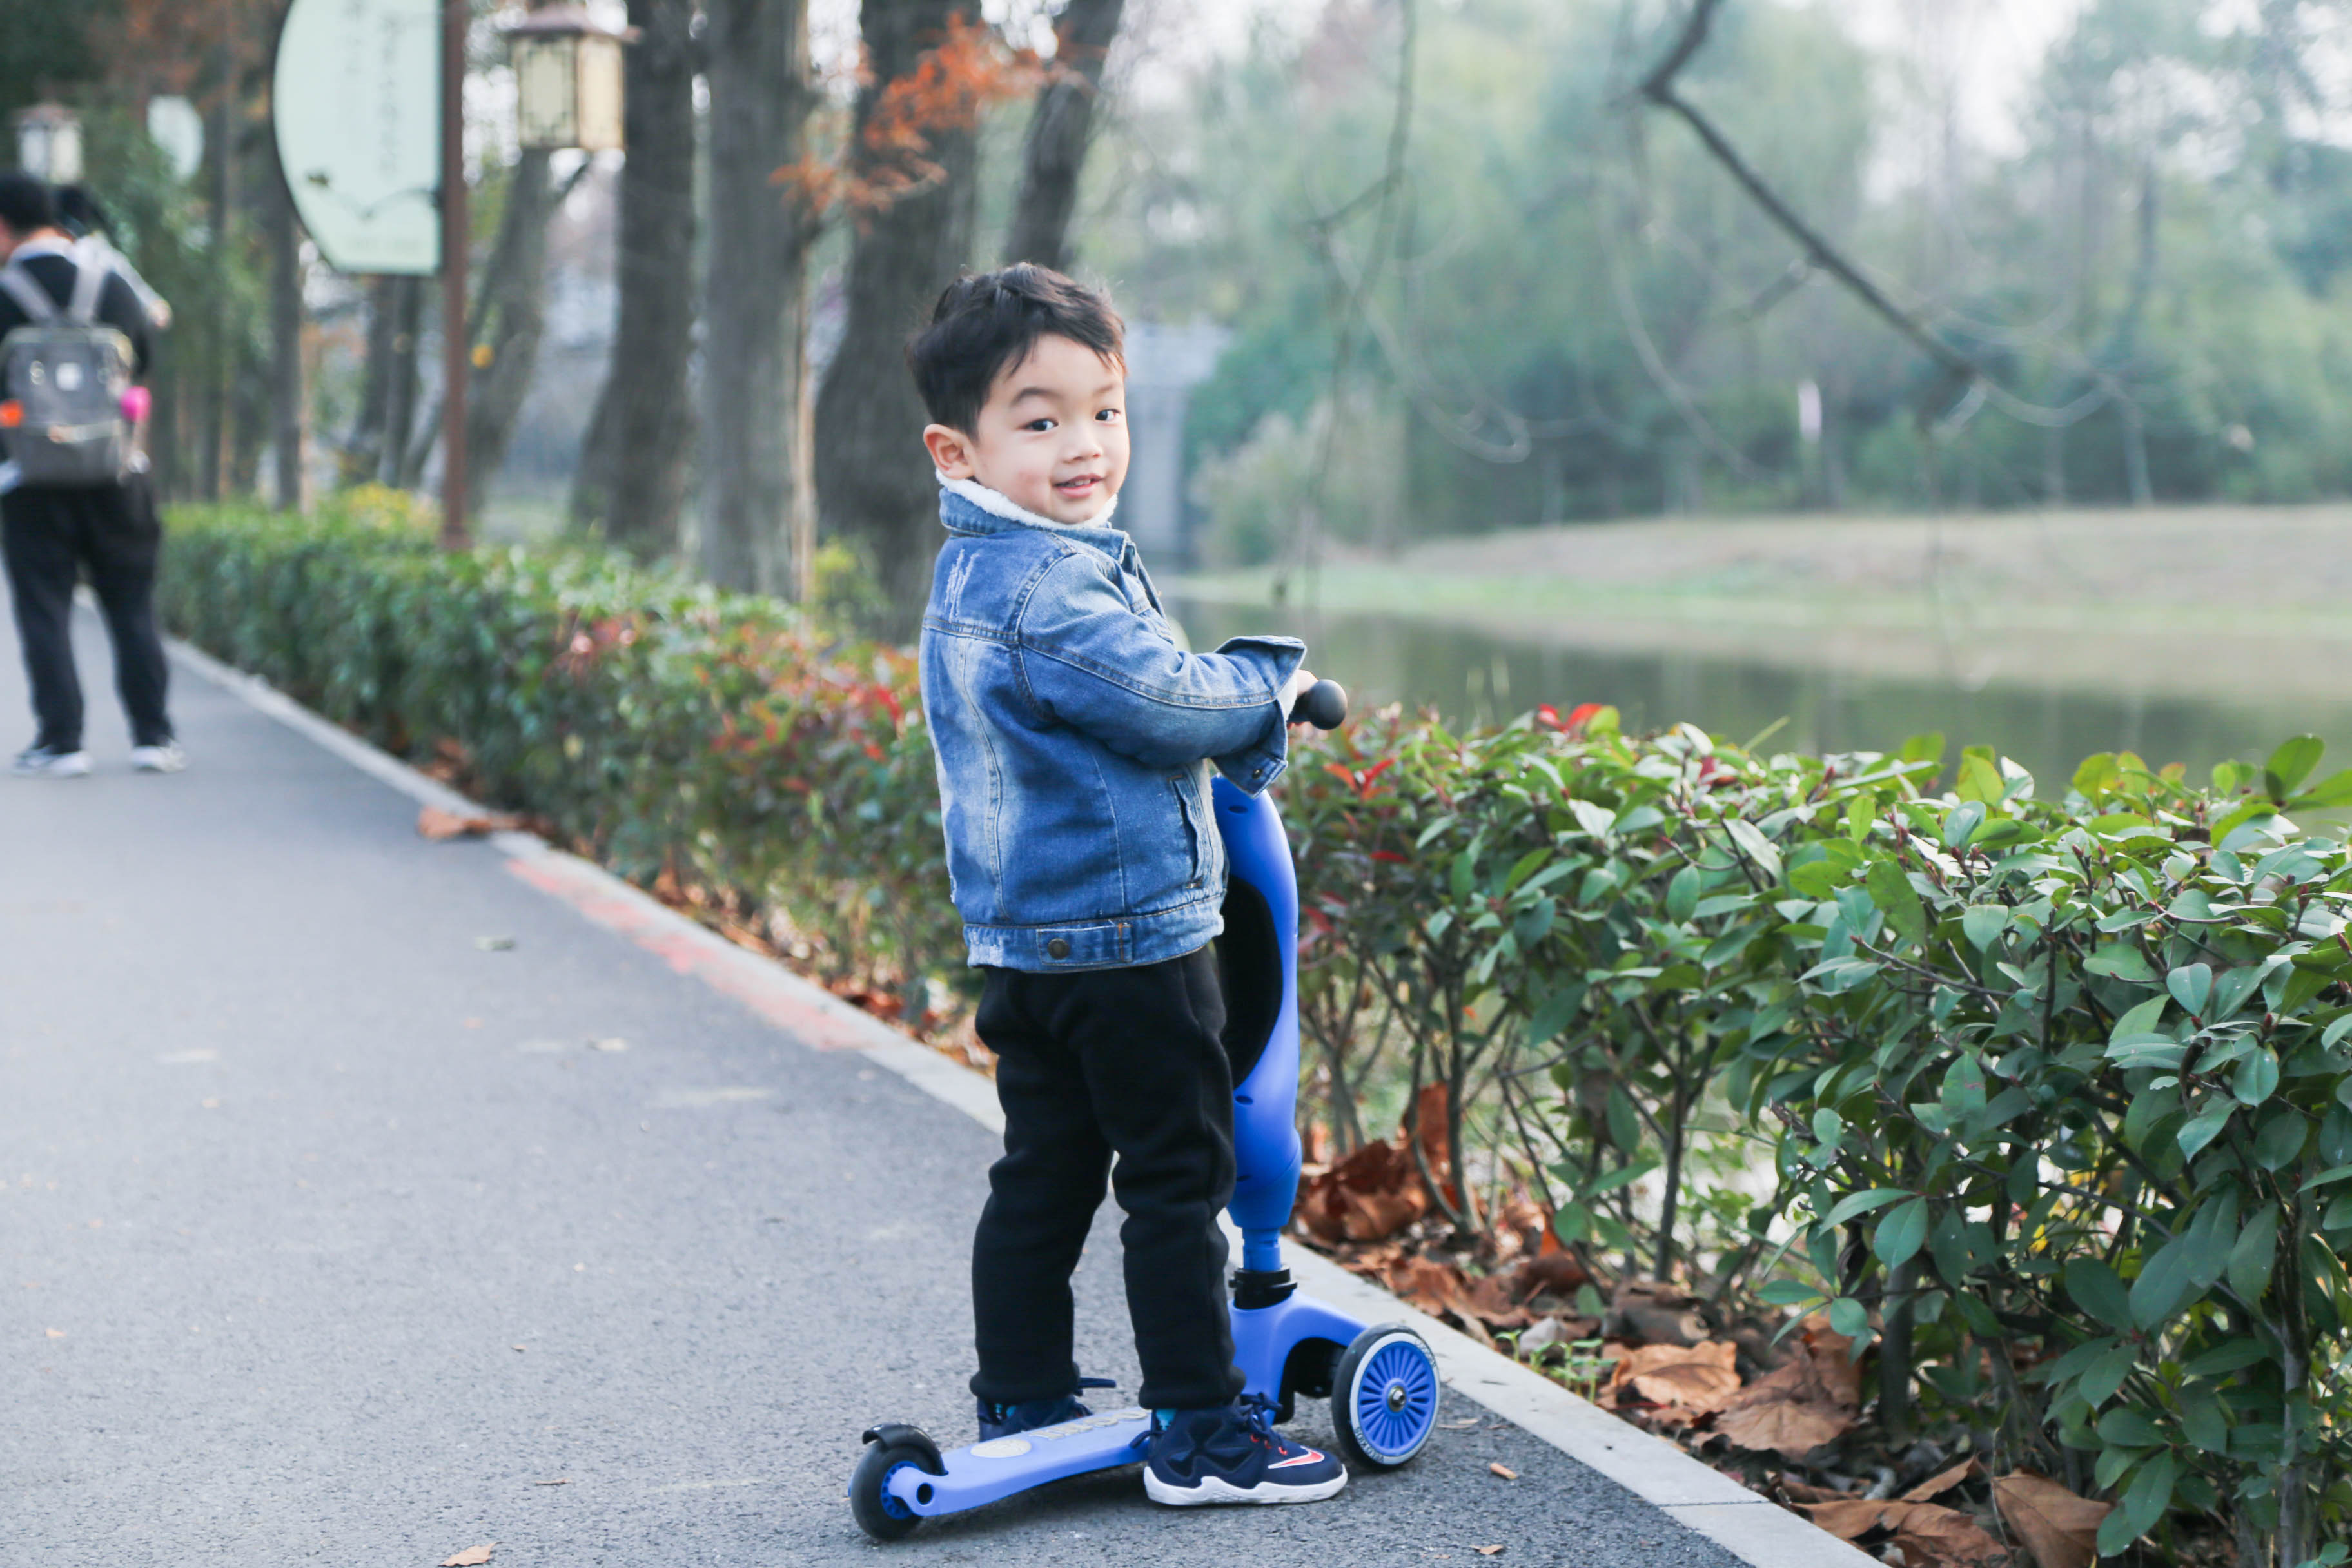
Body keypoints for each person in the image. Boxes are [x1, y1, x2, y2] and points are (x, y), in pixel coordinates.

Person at [909, 264, 1343, 1507]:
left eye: (1102, 410)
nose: (1084, 444)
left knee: (1043, 1168)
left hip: (1022, 948)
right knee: (1175, 1176)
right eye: (1038, 420)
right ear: (959, 450)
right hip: (1128, 949)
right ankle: (1204, 1430)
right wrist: (1263, 688)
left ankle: (1023, 1393)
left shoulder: (976, 575)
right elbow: (1158, 699)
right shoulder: (1052, 587)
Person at [0, 172, 179, 778]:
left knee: (44, 609)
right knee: (131, 606)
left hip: (30, 479)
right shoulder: (112, 284)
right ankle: (153, 737)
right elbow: (145, 360)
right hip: (117, 473)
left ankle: (62, 741)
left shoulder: (3, 292)